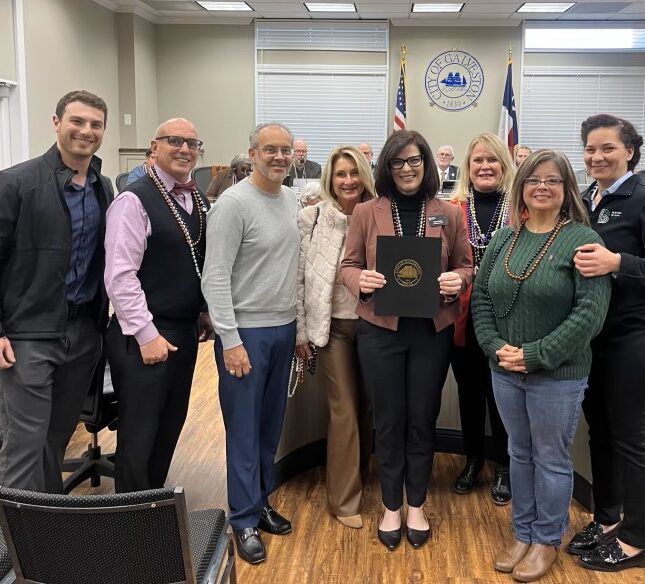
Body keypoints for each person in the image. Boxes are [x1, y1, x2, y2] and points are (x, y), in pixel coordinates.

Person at [471, 149, 611, 582]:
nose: (542, 187)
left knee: (550, 458)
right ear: (521, 189)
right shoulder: (504, 238)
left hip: (558, 374)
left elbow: (589, 314)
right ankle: (524, 532)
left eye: (552, 180)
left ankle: (547, 540)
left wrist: (533, 354)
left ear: (566, 188)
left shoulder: (584, 240)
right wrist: (496, 347)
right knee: (518, 453)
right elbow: (481, 299)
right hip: (504, 370)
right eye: (533, 181)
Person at [340, 130, 473, 550]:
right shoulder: (366, 211)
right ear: (387, 167)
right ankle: (391, 505)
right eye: (398, 162)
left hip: (430, 333)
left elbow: (466, 264)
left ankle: (416, 503)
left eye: (414, 160)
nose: (407, 169)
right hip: (380, 330)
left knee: (421, 417)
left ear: (427, 164)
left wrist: (459, 280)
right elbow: (348, 264)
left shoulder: (448, 213)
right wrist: (358, 280)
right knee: (390, 418)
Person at [0, 90, 112, 493]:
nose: (86, 131)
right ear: (56, 122)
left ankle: (47, 526)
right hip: (29, 334)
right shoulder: (16, 183)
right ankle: (15, 549)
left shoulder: (104, 185)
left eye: (95, 124)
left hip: (83, 334)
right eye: (77, 121)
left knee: (55, 438)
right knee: (24, 444)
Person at [202, 122, 299, 565]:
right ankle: (241, 518)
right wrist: (230, 339)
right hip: (246, 334)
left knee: (268, 427)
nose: (279, 157)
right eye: (270, 150)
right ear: (252, 153)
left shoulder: (291, 200)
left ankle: (259, 503)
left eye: (285, 150)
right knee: (243, 428)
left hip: (284, 329)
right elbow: (215, 276)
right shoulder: (232, 204)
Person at [105, 118, 212, 493]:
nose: (185, 149)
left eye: (192, 143)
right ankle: (130, 524)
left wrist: (201, 311)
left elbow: (193, 261)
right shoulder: (133, 200)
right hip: (143, 336)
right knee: (139, 434)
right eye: (175, 141)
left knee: (169, 426)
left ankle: (152, 506)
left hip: (183, 331)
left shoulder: (196, 198)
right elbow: (119, 276)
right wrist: (146, 334)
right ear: (155, 146)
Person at [568, 114, 645, 573]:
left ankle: (636, 537)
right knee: (600, 431)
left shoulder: (640, 198)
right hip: (590, 337)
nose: (597, 157)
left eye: (607, 149)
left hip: (630, 335)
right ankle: (607, 516)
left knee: (632, 437)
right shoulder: (585, 199)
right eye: (590, 149)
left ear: (630, 152)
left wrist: (619, 262)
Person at [295, 145, 375, 529]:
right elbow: (297, 278)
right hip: (334, 330)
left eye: (355, 173)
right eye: (341, 174)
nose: (348, 181)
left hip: (378, 327)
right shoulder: (311, 218)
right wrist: (300, 329)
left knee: (369, 407)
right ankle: (344, 500)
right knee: (343, 410)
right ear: (330, 177)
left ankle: (364, 473)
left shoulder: (381, 215)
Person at [450, 133, 514, 504]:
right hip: (462, 316)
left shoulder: (519, 207)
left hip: (507, 316)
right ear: (468, 167)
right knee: (468, 393)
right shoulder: (454, 207)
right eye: (478, 161)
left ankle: (503, 466)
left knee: (501, 394)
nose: (485, 166)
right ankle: (472, 461)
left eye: (492, 160)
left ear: (504, 164)